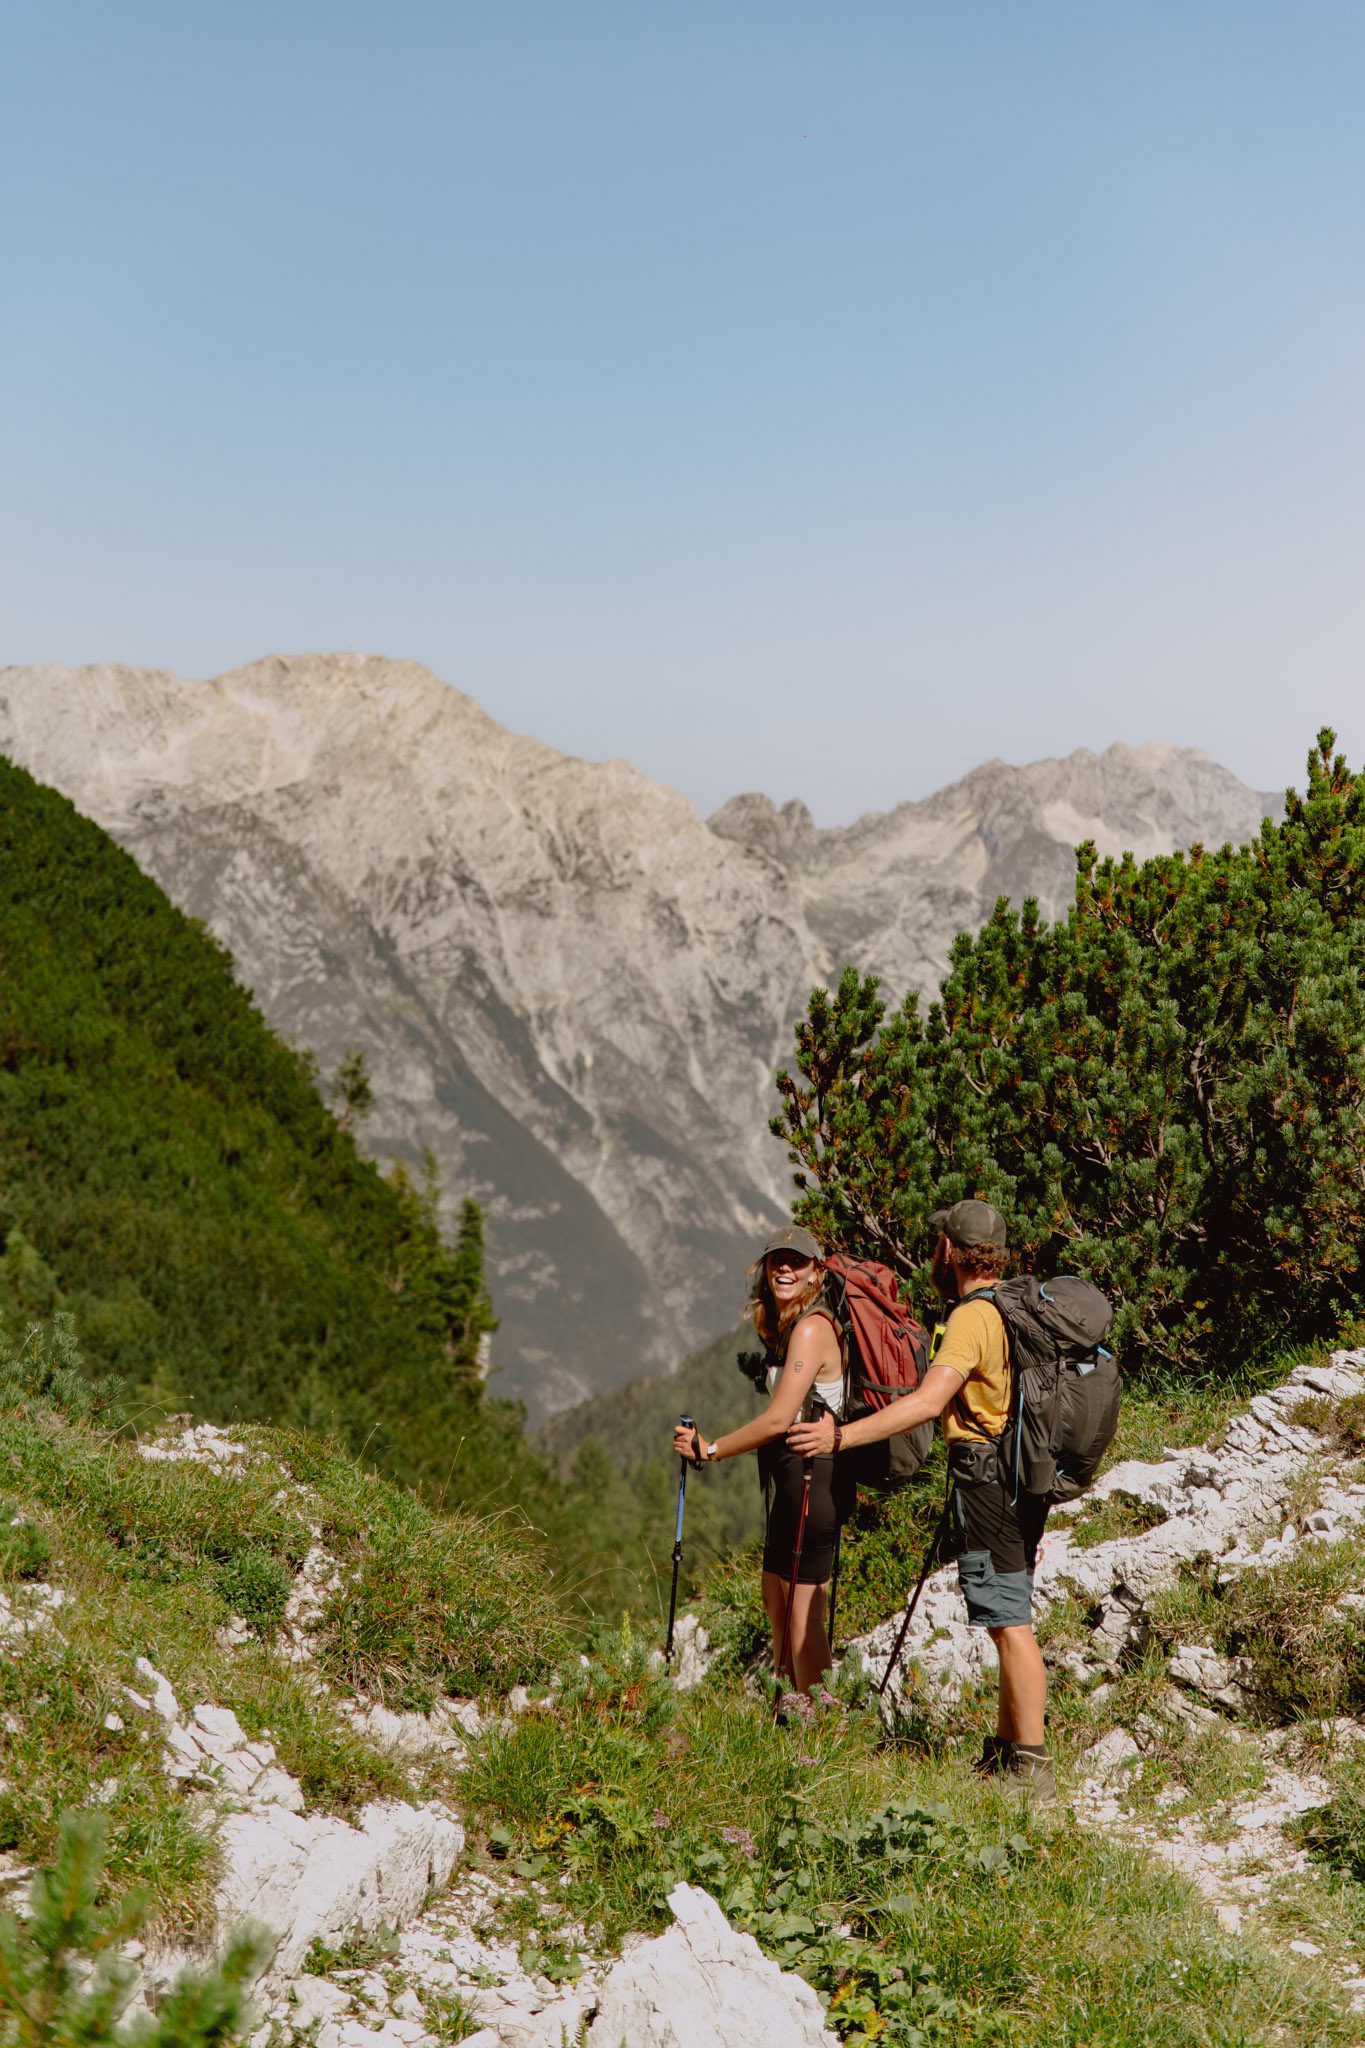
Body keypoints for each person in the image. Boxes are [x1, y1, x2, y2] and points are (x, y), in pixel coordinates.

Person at [787, 1199, 1055, 1801]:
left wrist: (842, 1434)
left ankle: (1032, 1770)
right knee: (1006, 1614)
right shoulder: (1019, 1305)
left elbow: (929, 1402)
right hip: (1023, 1473)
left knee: (1010, 1623)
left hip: (986, 1478)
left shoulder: (972, 1318)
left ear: (949, 1251)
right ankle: (1008, 1748)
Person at [671, 1224, 854, 1698]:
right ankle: (789, 1706)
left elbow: (776, 1421)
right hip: (792, 1481)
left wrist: (709, 1450)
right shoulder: (790, 1327)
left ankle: (819, 1726)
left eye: (797, 1261)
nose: (786, 1269)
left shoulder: (813, 1328)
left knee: (802, 1615)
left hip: (815, 1480)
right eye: (778, 1260)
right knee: (775, 1595)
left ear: (817, 1272)